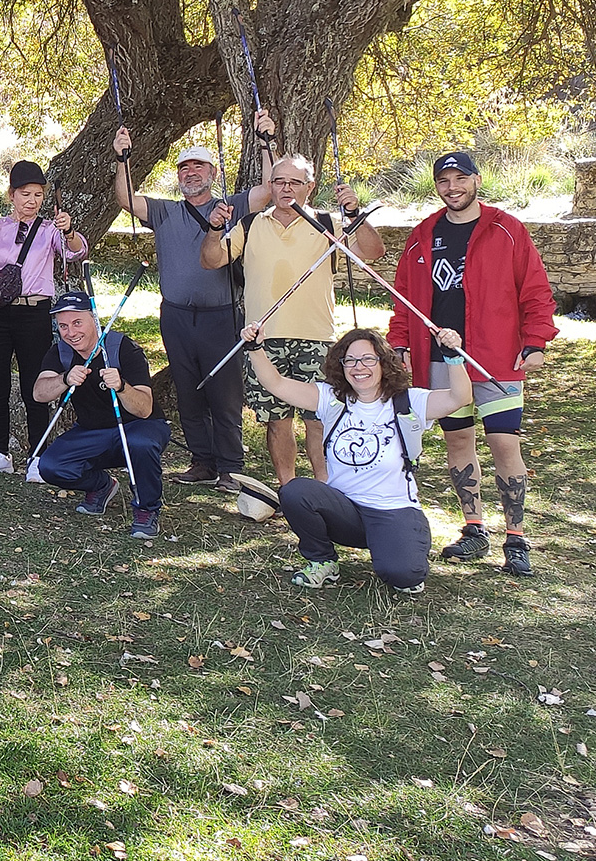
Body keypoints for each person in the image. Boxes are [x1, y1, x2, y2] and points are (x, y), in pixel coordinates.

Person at [388, 150, 557, 576]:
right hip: (442, 360)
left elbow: (535, 290)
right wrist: (402, 343)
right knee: (458, 441)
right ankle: (474, 528)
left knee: (504, 443)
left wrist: (536, 340)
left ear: (476, 180)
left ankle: (516, 538)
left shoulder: (507, 229)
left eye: (460, 179)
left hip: (496, 356)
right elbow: (404, 298)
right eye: (444, 181)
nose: (452, 188)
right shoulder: (422, 235)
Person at [245, 322, 475, 592]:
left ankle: (407, 542)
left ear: (383, 363)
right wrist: (255, 347)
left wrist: (453, 356)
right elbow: (277, 384)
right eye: (350, 360)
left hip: (393, 510)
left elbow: (460, 397)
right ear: (340, 366)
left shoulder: (408, 402)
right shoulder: (332, 398)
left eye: (367, 359)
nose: (358, 367)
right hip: (344, 511)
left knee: (404, 575)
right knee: (296, 491)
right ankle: (323, 561)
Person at [112, 114, 276, 489]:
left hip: (221, 315)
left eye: (198, 166)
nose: (190, 173)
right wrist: (121, 159)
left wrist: (265, 140)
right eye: (184, 168)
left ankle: (231, 466)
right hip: (176, 316)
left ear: (212, 172)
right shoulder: (165, 211)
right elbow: (125, 198)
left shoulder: (232, 206)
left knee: (225, 393)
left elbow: (269, 188)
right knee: (189, 391)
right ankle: (201, 461)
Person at [200, 154, 384, 484]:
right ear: (270, 185)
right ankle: (290, 491)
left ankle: (325, 489)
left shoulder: (330, 224)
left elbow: (372, 252)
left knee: (319, 419)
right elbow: (212, 261)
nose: (286, 188)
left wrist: (355, 214)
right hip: (262, 341)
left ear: (310, 187)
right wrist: (215, 229)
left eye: (294, 182)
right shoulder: (251, 223)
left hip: (317, 338)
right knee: (277, 420)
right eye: (279, 181)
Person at [0, 160, 88, 477]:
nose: (32, 200)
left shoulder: (48, 230)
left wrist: (68, 230)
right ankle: (0, 452)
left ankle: (38, 456)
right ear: (11, 194)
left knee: (35, 383)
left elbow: (76, 251)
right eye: (25, 193)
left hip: (34, 312)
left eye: (38, 195)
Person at [30, 291, 172, 539]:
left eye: (77, 323)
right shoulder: (60, 353)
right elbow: (39, 394)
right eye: (63, 326)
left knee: (140, 443)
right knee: (51, 466)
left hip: (138, 427)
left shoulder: (123, 348)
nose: (70, 333)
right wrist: (64, 379)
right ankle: (101, 486)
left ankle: (146, 509)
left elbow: (144, 408)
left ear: (94, 319)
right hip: (92, 431)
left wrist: (122, 386)